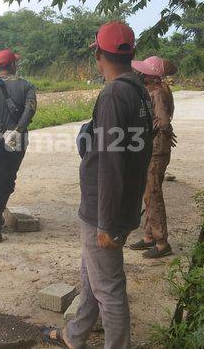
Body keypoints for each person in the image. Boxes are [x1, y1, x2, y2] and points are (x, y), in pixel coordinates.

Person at [44, 22, 153, 349]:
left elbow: (109, 163)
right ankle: (74, 336)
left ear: (99, 55)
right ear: (131, 55)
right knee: (92, 277)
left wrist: (106, 222)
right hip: (122, 203)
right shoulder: (139, 91)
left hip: (103, 210)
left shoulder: (113, 95)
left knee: (109, 290)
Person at [0, 49, 37, 243]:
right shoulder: (27, 85)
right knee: (8, 177)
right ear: (13, 65)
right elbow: (31, 109)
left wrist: (3, 131)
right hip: (19, 141)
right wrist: (18, 130)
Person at [128, 56, 178, 258]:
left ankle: (161, 241)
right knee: (148, 193)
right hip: (157, 150)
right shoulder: (161, 90)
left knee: (153, 195)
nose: (141, 74)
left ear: (153, 75)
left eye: (145, 72)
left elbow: (163, 122)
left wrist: (147, 128)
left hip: (156, 151)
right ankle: (149, 236)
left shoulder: (156, 93)